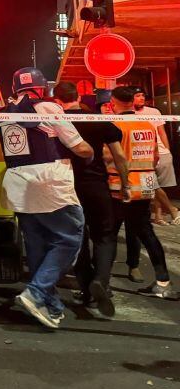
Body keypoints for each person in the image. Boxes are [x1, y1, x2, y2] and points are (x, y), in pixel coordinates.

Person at [0, 67, 90, 329]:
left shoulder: (4, 112)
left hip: (17, 184)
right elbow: (78, 146)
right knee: (70, 238)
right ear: (41, 88)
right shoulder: (48, 108)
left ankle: (49, 304)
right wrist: (91, 153)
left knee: (36, 244)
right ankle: (36, 292)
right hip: (49, 183)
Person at [52, 83, 123, 317]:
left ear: (56, 99)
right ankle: (101, 280)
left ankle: (87, 291)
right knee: (104, 235)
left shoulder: (56, 122)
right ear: (79, 96)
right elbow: (119, 155)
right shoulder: (97, 119)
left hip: (67, 187)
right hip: (97, 186)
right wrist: (127, 182)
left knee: (78, 239)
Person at [109, 86, 176, 299]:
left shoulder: (115, 125)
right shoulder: (147, 124)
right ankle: (163, 282)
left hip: (123, 186)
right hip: (146, 185)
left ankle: (101, 282)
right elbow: (155, 156)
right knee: (146, 232)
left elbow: (109, 158)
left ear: (114, 102)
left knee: (107, 235)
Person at [132, 86, 180, 225]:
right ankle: (172, 210)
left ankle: (159, 216)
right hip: (142, 154)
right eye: (138, 95)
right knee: (151, 184)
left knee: (160, 185)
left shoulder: (154, 111)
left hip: (161, 152)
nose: (141, 98)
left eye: (142, 95)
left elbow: (161, 131)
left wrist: (167, 150)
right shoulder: (128, 113)